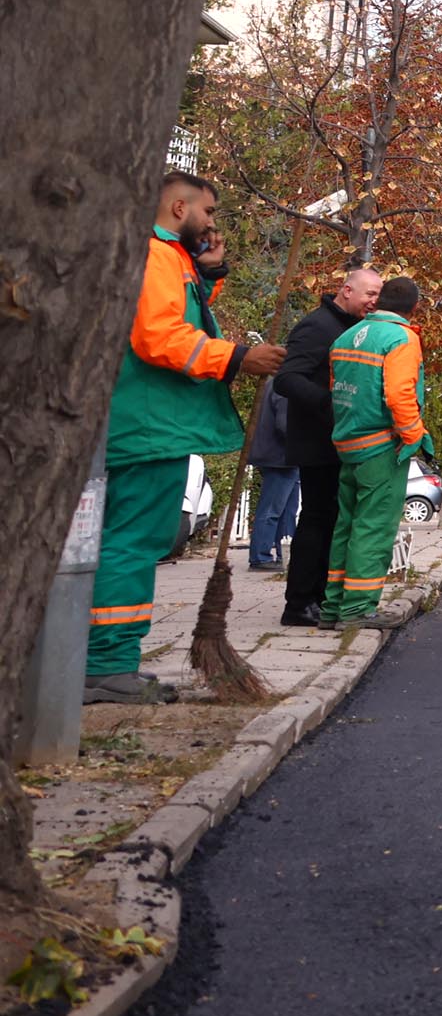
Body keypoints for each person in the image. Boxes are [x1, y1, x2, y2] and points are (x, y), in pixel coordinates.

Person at [89, 175, 284, 703]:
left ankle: (108, 661)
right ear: (180, 206)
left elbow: (180, 314)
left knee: (127, 540)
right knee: (133, 542)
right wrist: (239, 357)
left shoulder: (170, 258)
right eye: (211, 212)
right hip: (149, 423)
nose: (215, 223)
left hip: (145, 420)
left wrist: (210, 273)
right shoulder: (154, 254)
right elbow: (158, 336)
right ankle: (106, 666)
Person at [270, 267, 376, 627]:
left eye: (379, 295)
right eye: (369, 294)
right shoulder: (317, 326)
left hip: (339, 440)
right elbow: (286, 378)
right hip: (317, 441)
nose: (374, 302)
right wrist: (331, 405)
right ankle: (299, 602)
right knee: (316, 518)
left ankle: (318, 595)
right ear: (346, 291)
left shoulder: (351, 329)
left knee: (331, 519)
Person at [325, 277, 429, 626]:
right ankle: (357, 609)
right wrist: (414, 434)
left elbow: (336, 388)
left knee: (347, 527)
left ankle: (333, 606)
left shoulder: (344, 338)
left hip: (347, 443)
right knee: (373, 528)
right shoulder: (402, 338)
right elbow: (399, 394)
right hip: (382, 446)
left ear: (378, 301)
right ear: (414, 307)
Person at [243, 373, 303, 573]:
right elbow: (285, 424)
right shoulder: (285, 386)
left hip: (278, 456)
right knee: (272, 510)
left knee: (286, 510)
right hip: (281, 457)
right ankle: (260, 557)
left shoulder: (272, 383)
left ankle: (281, 553)